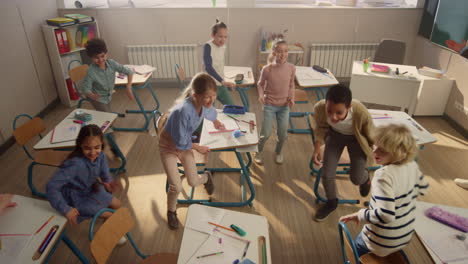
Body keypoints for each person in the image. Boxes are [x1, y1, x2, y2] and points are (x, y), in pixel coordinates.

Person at [340, 124, 429, 257]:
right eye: (375, 146)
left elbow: (386, 215)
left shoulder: (383, 175)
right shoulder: (412, 165)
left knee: (356, 247)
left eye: (383, 150)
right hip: (404, 237)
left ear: (400, 153)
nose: (375, 152)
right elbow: (423, 189)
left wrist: (360, 215)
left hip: (380, 242)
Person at [159, 72, 225, 230]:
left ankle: (206, 177)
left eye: (213, 96)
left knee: (193, 181)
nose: (211, 100)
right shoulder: (183, 111)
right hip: (169, 147)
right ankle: (171, 211)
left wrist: (216, 122)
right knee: (176, 186)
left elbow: (210, 112)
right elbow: (181, 142)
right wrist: (198, 147)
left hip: (185, 145)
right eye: (208, 97)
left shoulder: (203, 103)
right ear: (195, 95)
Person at [312, 84, 374, 221]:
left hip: (356, 139)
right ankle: (332, 202)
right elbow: (320, 127)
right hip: (335, 136)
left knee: (356, 178)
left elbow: (370, 133)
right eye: (329, 111)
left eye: (339, 113)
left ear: (349, 107)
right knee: (327, 173)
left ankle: (365, 179)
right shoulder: (320, 108)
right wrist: (317, 147)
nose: (333, 117)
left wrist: (373, 151)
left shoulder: (360, 112)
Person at [46, 125, 121, 225]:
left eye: (97, 147)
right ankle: (109, 227)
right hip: (75, 198)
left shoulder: (101, 155)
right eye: (87, 148)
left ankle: (106, 223)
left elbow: (104, 172)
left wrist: (108, 182)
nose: (93, 153)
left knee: (117, 204)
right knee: (111, 215)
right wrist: (66, 209)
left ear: (102, 144)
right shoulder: (75, 164)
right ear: (80, 145)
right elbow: (51, 186)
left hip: (91, 189)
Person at [254, 40, 295, 164]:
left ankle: (278, 151)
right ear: (274, 53)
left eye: (285, 51)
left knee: (283, 135)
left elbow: (291, 85)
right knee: (265, 133)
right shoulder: (267, 69)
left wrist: (291, 98)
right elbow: (260, 84)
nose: (283, 54)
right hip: (269, 105)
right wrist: (261, 95)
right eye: (279, 51)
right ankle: (258, 150)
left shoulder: (291, 68)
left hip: (284, 106)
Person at [80, 38, 135, 113]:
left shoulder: (112, 63)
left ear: (106, 53)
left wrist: (128, 87)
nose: (100, 60)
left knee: (107, 114)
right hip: (97, 98)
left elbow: (129, 71)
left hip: (108, 95)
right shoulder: (91, 71)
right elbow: (85, 89)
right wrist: (92, 96)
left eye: (102, 56)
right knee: (108, 116)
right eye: (96, 57)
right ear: (91, 57)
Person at [203, 19, 236, 106]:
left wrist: (225, 83)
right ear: (213, 35)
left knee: (232, 107)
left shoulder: (223, 47)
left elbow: (219, 65)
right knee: (208, 112)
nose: (223, 39)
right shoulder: (208, 46)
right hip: (210, 86)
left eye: (225, 37)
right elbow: (208, 68)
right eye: (220, 36)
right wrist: (222, 81)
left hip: (221, 85)